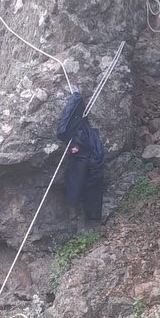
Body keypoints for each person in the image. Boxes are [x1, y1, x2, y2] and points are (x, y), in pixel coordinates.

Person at [57, 90, 106, 227]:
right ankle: (89, 215)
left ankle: (83, 212)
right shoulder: (80, 128)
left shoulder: (78, 127)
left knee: (79, 179)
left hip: (83, 156)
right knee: (83, 180)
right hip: (85, 156)